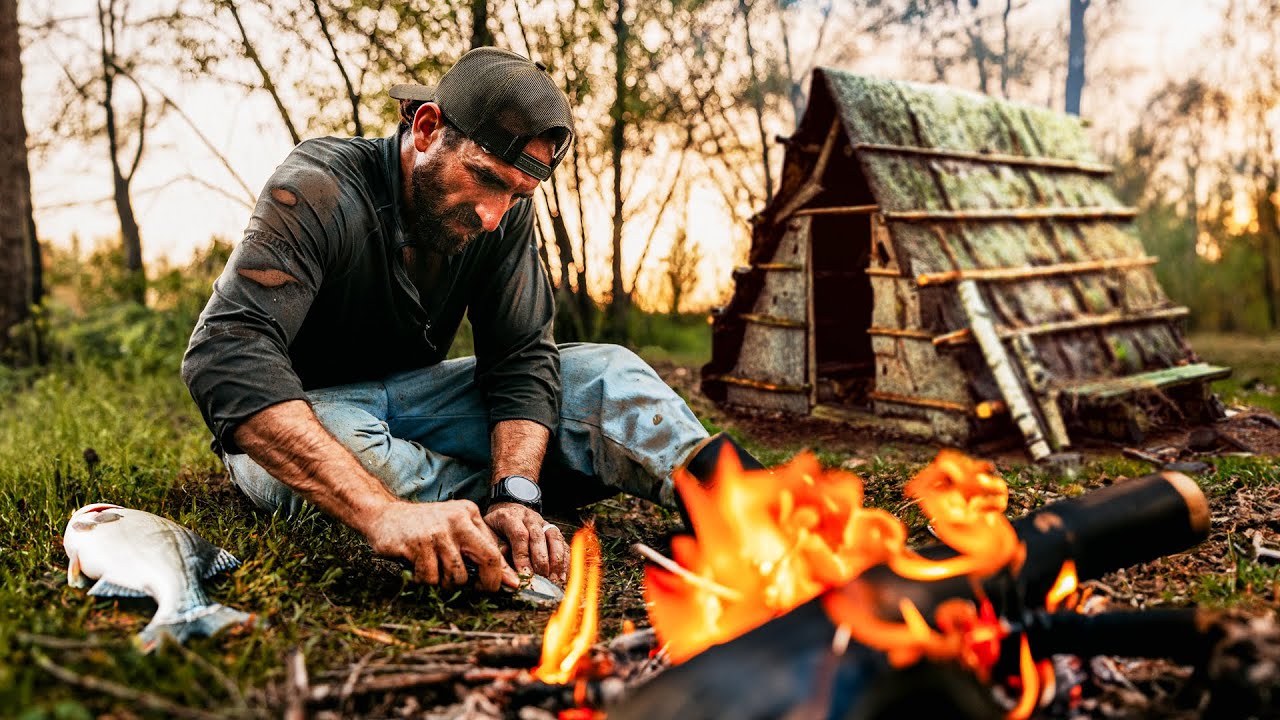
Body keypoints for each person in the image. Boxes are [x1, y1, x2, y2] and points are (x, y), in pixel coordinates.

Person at [181, 47, 720, 594]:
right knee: (350, 441)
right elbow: (225, 353)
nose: (493, 216)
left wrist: (517, 489)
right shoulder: (320, 188)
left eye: (516, 193)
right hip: (304, 422)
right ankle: (475, 515)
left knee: (607, 370)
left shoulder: (504, 214)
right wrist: (380, 514)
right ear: (427, 127)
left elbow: (521, 356)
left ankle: (740, 503)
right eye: (485, 178)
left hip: (413, 405)